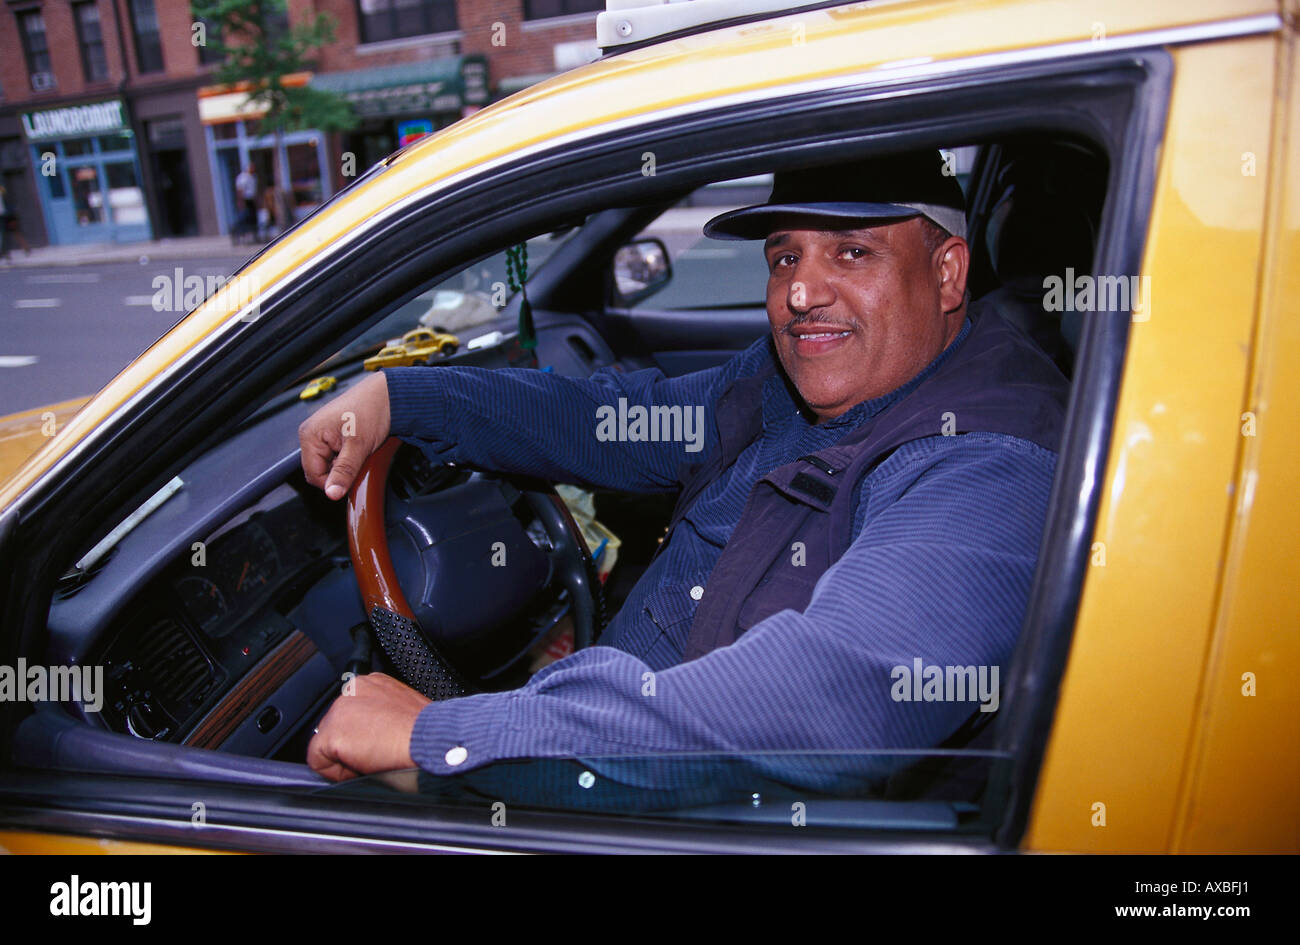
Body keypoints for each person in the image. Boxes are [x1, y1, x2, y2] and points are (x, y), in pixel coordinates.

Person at [298, 150, 1069, 808]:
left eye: (852, 253)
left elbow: (838, 702)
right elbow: (622, 424)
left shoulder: (988, 456)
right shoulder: (795, 377)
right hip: (602, 746)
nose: (802, 293)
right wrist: (407, 398)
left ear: (947, 273)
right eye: (784, 257)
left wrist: (443, 737)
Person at [233, 162, 258, 243]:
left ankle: (254, 235)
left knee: (253, 218)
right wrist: (241, 202)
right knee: (245, 217)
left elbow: (254, 190)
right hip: (246, 199)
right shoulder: (243, 178)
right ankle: (241, 233)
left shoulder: (253, 177)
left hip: (251, 199)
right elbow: (240, 190)